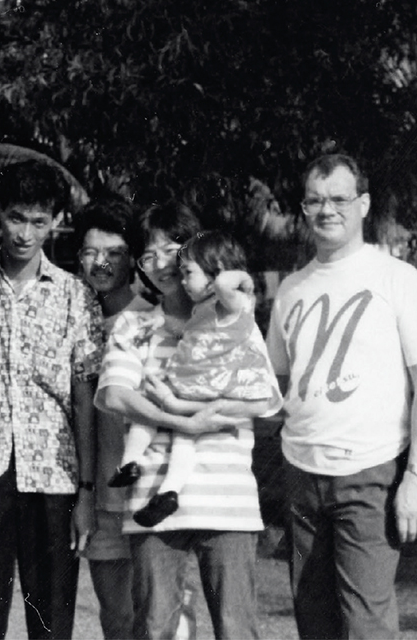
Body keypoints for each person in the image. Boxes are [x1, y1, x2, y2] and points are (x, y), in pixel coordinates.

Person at [266, 153, 417, 639]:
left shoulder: (398, 280)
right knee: (313, 617)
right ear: (303, 209)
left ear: (363, 204)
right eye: (315, 200)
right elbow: (270, 385)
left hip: (369, 474)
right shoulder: (291, 290)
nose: (327, 210)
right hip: (301, 474)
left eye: (339, 199)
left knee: (366, 623)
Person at [96, 202, 281, 640]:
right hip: (152, 505)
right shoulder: (135, 324)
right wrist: (186, 423)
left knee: (236, 629)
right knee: (155, 627)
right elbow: (117, 394)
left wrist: (192, 415)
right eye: (149, 254)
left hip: (228, 501)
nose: (161, 264)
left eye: (172, 249)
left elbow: (266, 400)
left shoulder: (235, 318)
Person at [0, 160, 103, 640]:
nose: (25, 233)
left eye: (38, 221)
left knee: (51, 620)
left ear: (54, 220)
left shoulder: (76, 296)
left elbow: (83, 401)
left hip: (54, 477)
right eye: (16, 218)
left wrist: (87, 493)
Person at [111, 231, 272, 529]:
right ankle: (163, 487)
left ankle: (139, 467)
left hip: (207, 383)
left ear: (216, 271)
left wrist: (230, 273)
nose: (182, 279)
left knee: (157, 409)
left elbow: (225, 284)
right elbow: (189, 330)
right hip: (200, 384)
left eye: (188, 272)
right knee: (180, 434)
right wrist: (162, 321)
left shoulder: (233, 300)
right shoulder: (206, 308)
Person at [71, 200, 138, 640]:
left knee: (162, 612)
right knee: (116, 618)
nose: (102, 263)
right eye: (92, 252)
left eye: (113, 253)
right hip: (101, 498)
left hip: (149, 493)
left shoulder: (153, 316)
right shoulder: (75, 319)